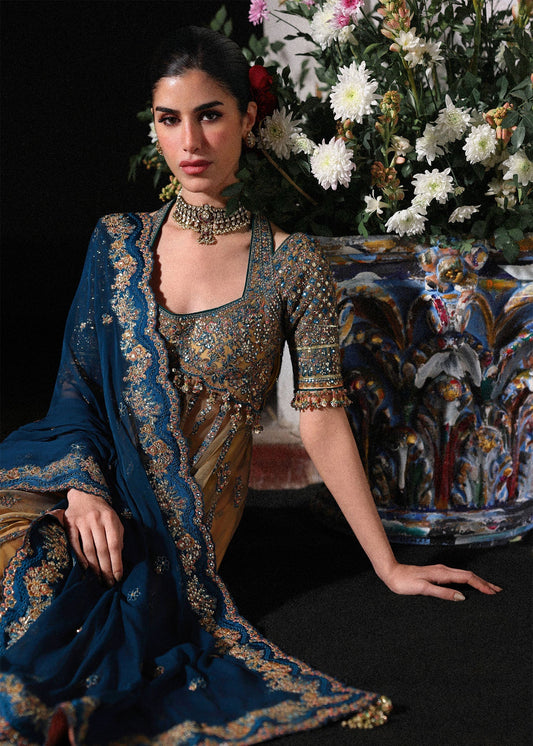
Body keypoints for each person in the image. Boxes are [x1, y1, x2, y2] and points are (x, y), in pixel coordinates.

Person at [0, 26, 501, 745]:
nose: (190, 141)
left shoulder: (292, 264)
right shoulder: (117, 242)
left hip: (175, 531)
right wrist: (82, 491)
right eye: (169, 119)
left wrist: (388, 565)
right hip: (87, 489)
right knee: (24, 553)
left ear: (247, 119)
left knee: (65, 611)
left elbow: (321, 418)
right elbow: (76, 389)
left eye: (210, 115)